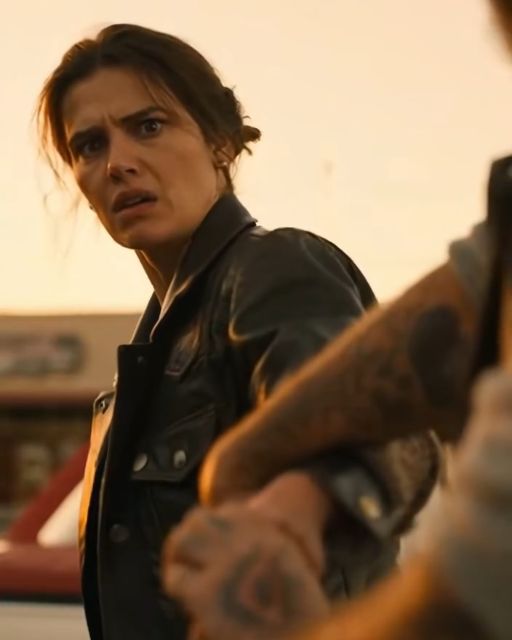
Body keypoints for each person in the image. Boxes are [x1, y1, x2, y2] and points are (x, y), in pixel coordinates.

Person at [36, 23, 438, 640]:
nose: (117, 163)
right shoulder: (139, 370)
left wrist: (294, 512)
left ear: (219, 142)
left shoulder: (274, 269)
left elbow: (386, 431)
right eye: (89, 146)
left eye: (149, 126)